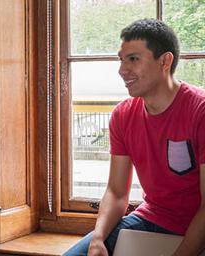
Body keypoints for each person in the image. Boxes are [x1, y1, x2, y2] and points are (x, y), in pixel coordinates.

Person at [65, 18, 205, 256]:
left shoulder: (199, 111)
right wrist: (98, 239)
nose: (122, 70)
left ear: (165, 61)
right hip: (152, 220)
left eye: (133, 59)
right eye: (121, 60)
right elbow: (117, 192)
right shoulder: (122, 115)